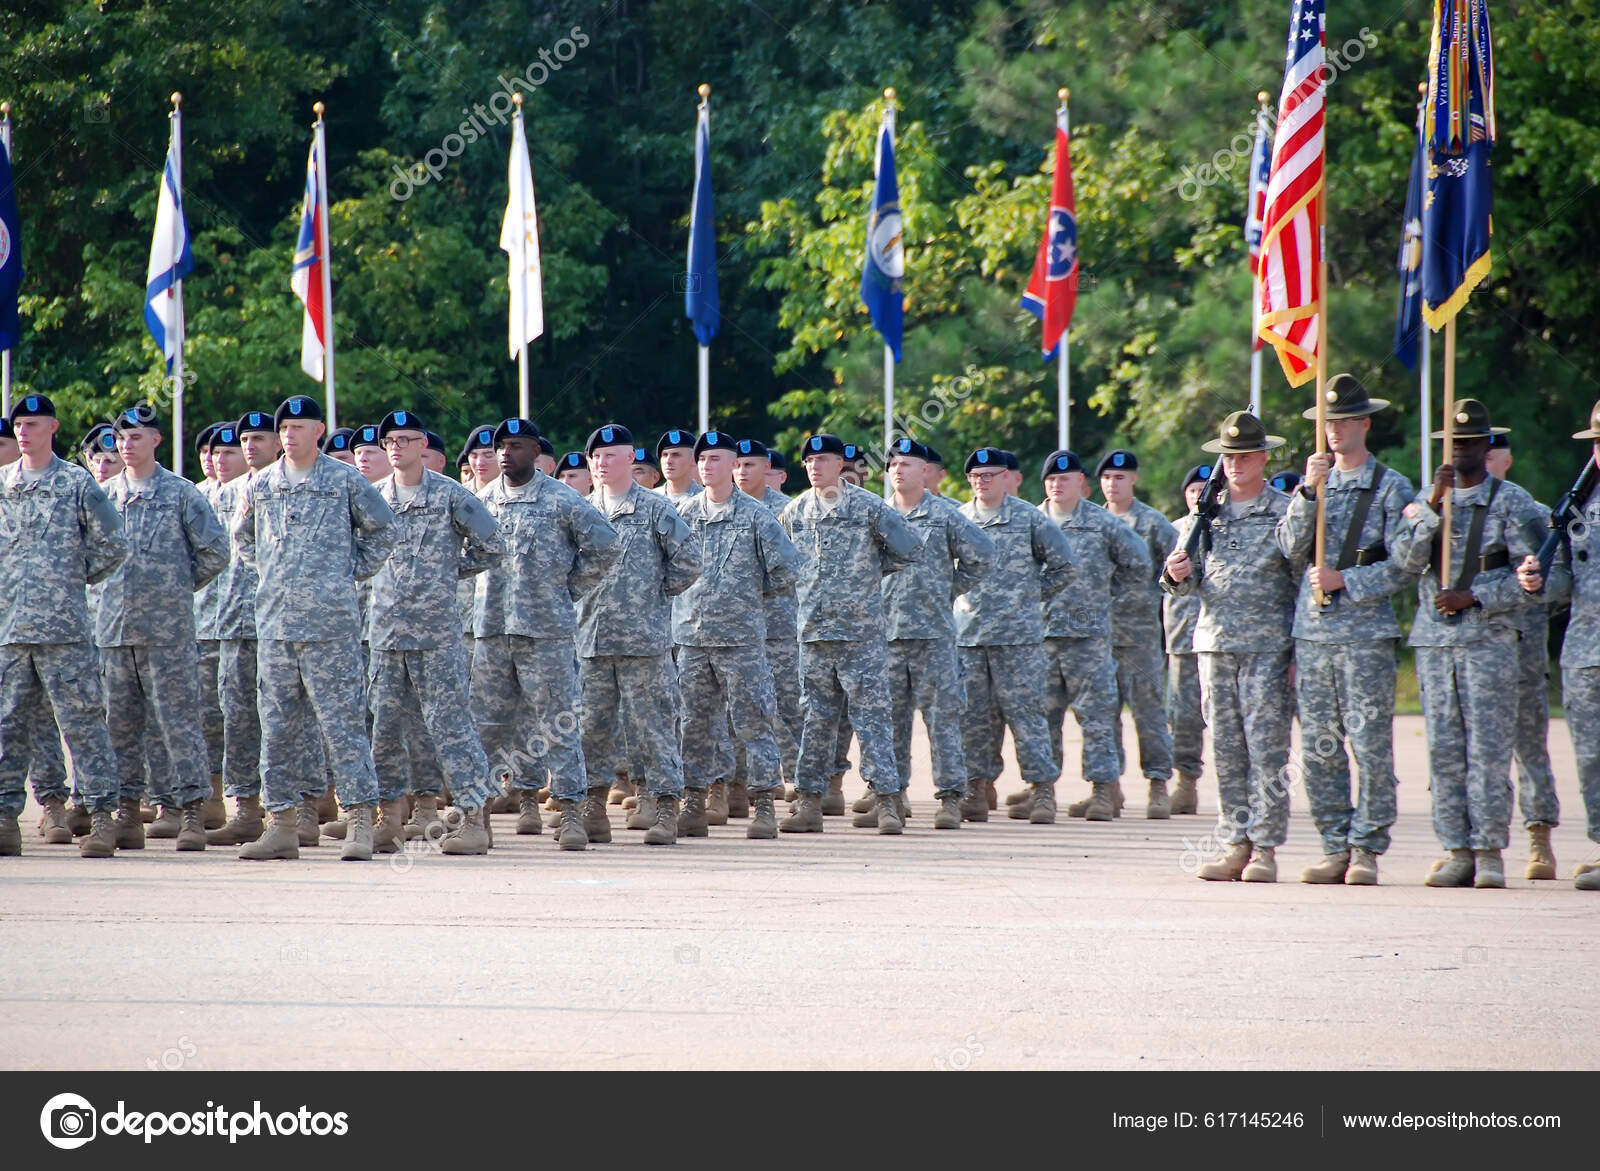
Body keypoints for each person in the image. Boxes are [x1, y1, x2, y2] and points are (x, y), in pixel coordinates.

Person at [231, 395, 397, 861]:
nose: (289, 434)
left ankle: (362, 820)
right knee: (278, 727)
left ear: (318, 431)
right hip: (277, 625)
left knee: (342, 726)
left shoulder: (344, 480)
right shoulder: (262, 484)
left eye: (300, 427)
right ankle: (281, 823)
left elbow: (384, 531)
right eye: (284, 427)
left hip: (330, 626)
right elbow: (243, 540)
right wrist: (272, 575)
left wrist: (346, 572)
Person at [1277, 375, 1420, 886]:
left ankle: (1366, 847)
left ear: (1364, 423)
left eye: (1343, 421)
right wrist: (1306, 493)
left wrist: (1349, 581)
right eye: (1327, 423)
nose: (1334, 431)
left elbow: (1406, 564)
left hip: (1365, 634)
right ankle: (1333, 843)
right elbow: (1290, 548)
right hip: (1313, 635)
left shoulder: (1390, 486)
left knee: (1370, 743)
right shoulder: (1312, 484)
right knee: (1319, 746)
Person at [1400, 400, 1542, 889]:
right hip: (1436, 644)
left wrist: (1474, 596)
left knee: (1487, 749)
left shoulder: (1513, 502)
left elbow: (1537, 577)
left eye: (1470, 441)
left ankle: (1488, 851)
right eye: (1452, 442)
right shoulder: (1428, 497)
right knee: (1443, 749)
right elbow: (1404, 562)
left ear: (1486, 445)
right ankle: (1456, 848)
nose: (1460, 449)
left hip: (1489, 641)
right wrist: (1430, 509)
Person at [472, 418, 619, 850]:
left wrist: (566, 588)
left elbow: (607, 545)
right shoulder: (482, 502)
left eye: (516, 446)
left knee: (558, 725)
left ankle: (571, 812)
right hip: (493, 631)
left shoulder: (560, 500)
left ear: (536, 453)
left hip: (546, 633)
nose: (505, 453)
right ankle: (475, 816)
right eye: (501, 446)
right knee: (486, 727)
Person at [1163, 412, 1297, 883]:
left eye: (1244, 455)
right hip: (1215, 645)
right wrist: (1176, 574)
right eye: (1228, 455)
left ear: (1263, 457)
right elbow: (1182, 583)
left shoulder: (1286, 510)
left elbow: (1301, 581)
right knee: (1225, 749)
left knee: (1267, 750)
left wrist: (1298, 652)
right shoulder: (1206, 513)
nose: (1235, 463)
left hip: (1267, 646)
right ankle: (1235, 842)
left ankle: (1264, 848)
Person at [367, 410, 504, 855]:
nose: (397, 447)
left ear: (422, 444)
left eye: (407, 440)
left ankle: (473, 817)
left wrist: (448, 572)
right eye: (391, 440)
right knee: (385, 728)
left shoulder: (449, 496)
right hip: (386, 633)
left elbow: (491, 545)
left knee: (451, 726)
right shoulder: (372, 498)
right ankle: (389, 817)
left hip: (436, 634)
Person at [0, 394, 130, 858]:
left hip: (64, 629)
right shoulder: (2, 484)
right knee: (9, 726)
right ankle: (5, 819)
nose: (24, 432)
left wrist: (74, 576)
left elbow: (113, 543)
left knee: (83, 724)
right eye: (19, 424)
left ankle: (100, 818)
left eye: (33, 424)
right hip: (12, 630)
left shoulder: (75, 483)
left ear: (52, 427)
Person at [98, 404, 230, 852]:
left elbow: (216, 550)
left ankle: (193, 811)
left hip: (167, 633)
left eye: (137, 437)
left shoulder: (180, 493)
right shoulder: (105, 495)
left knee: (179, 725)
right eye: (121, 438)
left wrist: (175, 587)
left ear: (156, 440)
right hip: (116, 630)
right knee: (120, 727)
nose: (127, 445)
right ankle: (126, 812)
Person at [779, 434, 922, 833]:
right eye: (808, 461)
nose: (814, 467)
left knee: (872, 718)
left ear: (841, 464)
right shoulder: (796, 512)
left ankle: (889, 801)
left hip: (860, 634)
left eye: (823, 460)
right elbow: (781, 560)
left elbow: (911, 548)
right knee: (816, 719)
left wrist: (870, 574)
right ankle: (809, 801)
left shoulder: (868, 507)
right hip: (814, 634)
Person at [674, 430, 802, 838]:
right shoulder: (684, 514)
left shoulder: (756, 515)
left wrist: (745, 597)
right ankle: (693, 801)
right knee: (693, 724)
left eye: (718, 459)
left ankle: (763, 804)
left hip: (743, 640)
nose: (709, 466)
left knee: (754, 722)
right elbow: (670, 569)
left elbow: (786, 570)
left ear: (733, 466)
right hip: (692, 639)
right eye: (704, 459)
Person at [580, 424, 700, 844]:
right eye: (597, 456)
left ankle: (666, 807)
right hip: (592, 640)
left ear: (631, 459)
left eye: (612, 455)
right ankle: (592, 808)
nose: (602, 462)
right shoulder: (583, 509)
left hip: (643, 641)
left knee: (653, 727)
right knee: (591, 728)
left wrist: (652, 596)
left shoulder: (655, 508)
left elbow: (689, 561)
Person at [873, 437, 994, 830]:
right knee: (889, 721)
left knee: (943, 720)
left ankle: (950, 799)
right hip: (886, 634)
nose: (898, 471)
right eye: (893, 465)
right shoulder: (876, 513)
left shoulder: (944, 514)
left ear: (925, 471)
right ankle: (892, 797)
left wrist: (949, 589)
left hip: (934, 635)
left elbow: (982, 555)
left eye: (907, 465)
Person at [1027, 449, 1152, 821]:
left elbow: (1139, 562)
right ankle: (1043, 792)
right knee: (1041, 718)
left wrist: (1110, 602)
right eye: (1051, 479)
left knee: (1097, 718)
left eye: (1064, 479)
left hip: (1089, 638)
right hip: (1042, 636)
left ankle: (1102, 791)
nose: (1057, 485)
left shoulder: (1103, 522)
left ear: (1081, 483)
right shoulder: (1031, 520)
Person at [954, 446, 1074, 821]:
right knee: (974, 718)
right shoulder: (959, 519)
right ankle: (976, 787)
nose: (983, 481)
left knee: (1027, 717)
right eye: (976, 476)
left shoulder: (1027, 518)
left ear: (1006, 477)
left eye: (991, 475)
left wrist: (1029, 597)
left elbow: (1064, 565)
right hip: (970, 636)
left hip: (1018, 638)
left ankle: (1042, 791)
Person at [1518, 398, 1600, 891]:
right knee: (1591, 756)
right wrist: (1537, 582)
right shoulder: (1580, 504)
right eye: (1596, 444)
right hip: (1585, 649)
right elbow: (1567, 577)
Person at [1486, 433, 1562, 879]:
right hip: (1470, 645)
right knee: (1470, 751)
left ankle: (1539, 837)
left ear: (1507, 460)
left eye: (1491, 453)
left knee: (1529, 746)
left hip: (1520, 646)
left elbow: (1553, 581)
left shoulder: (1529, 510)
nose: (1482, 459)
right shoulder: (1452, 508)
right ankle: (1470, 842)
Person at [1097, 449, 1177, 819]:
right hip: (1098, 636)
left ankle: (1159, 784)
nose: (1112, 484)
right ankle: (1108, 788)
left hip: (1140, 634)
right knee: (1102, 713)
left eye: (1120, 477)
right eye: (1107, 478)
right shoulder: (1091, 521)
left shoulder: (1152, 522)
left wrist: (1155, 595)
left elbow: (1179, 565)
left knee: (1148, 712)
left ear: (1134, 480)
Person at [735, 442, 802, 805]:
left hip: (778, 624)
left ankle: (802, 779)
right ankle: (743, 780)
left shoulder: (787, 511)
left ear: (769, 469)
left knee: (787, 703)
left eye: (752, 465)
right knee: (741, 707)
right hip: (734, 629)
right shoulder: (721, 508)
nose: (743, 472)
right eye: (739, 464)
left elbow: (797, 568)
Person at [1163, 465, 1211, 815]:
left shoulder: (1222, 527)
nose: (1197, 494)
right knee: (1184, 715)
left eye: (1203, 489)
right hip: (1182, 639)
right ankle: (1186, 781)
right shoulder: (1174, 531)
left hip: (1223, 635)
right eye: (1192, 489)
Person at [656, 429, 702, 508]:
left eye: (676, 455)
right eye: (665, 455)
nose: (668, 461)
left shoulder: (707, 499)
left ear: (694, 460)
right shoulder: (650, 499)